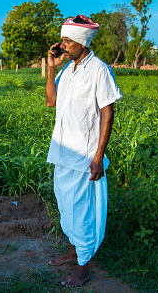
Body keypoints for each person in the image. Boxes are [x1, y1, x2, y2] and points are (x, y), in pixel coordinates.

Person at [45, 15, 122, 287]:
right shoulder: (68, 69)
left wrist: (98, 156)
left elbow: (107, 113)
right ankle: (74, 251)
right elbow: (50, 102)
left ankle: (84, 267)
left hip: (84, 156)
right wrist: (52, 67)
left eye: (67, 41)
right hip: (63, 152)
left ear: (82, 43)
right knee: (66, 207)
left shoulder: (99, 70)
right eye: (62, 40)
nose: (62, 45)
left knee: (82, 211)